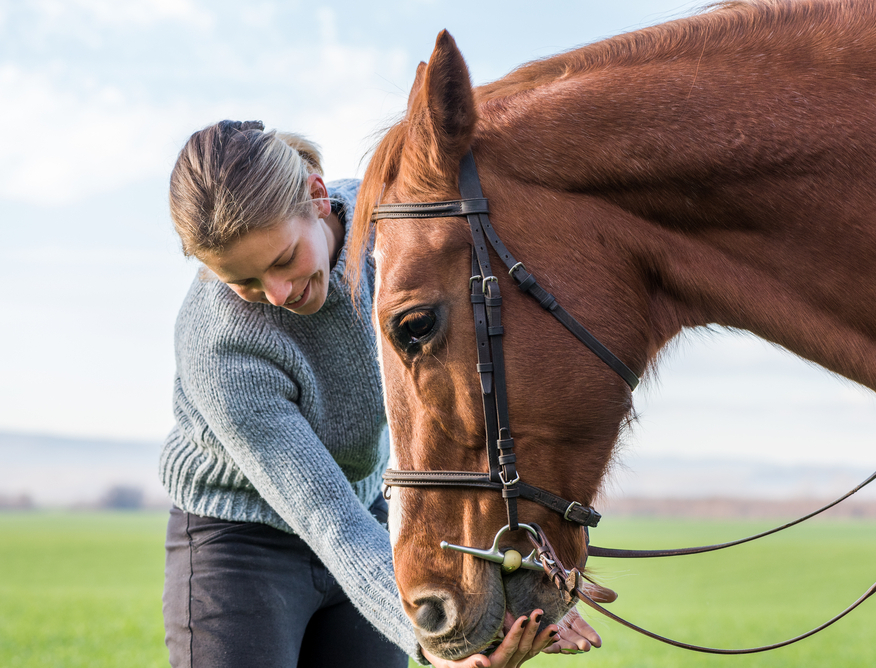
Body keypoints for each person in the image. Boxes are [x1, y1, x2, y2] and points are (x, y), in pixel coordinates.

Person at [160, 120, 601, 667]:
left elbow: (464, 426)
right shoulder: (218, 343)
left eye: (280, 260)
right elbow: (325, 514)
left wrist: (527, 587)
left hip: (372, 514)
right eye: (242, 282)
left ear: (318, 198)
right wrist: (430, 641)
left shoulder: (399, 240)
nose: (274, 294)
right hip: (239, 543)